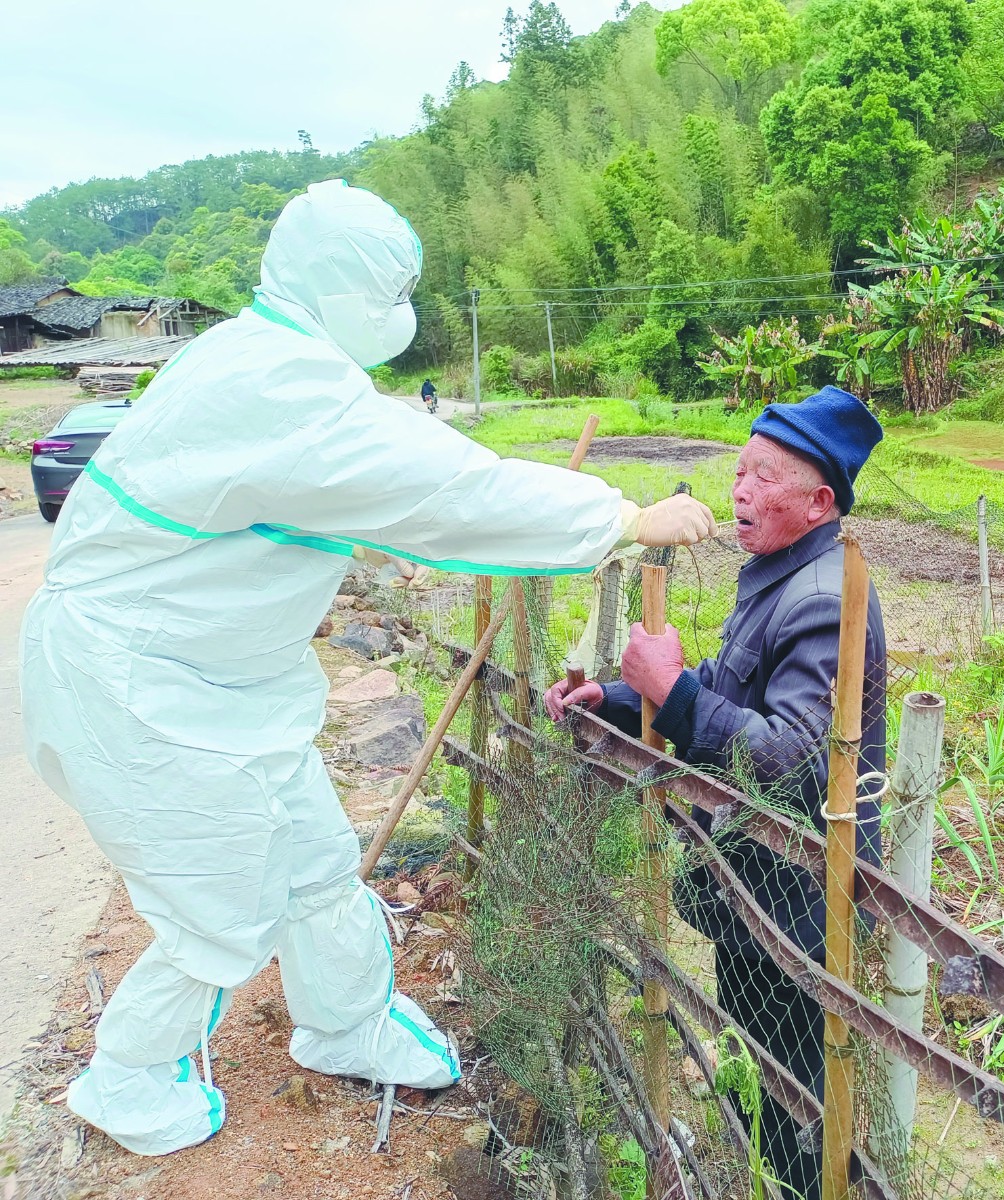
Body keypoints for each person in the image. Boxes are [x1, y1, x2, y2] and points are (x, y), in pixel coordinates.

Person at [20, 180, 715, 1158]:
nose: (403, 311)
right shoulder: (284, 393)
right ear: (338, 287)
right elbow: (444, 490)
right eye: (388, 289)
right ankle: (128, 1076)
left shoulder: (268, 354)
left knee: (311, 862)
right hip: (140, 690)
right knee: (217, 906)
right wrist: (619, 519)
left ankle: (344, 1021)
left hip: (217, 681)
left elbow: (400, 451)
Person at [545, 386, 887, 1200]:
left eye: (764, 477)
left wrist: (677, 693)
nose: (738, 489)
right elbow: (727, 686)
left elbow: (789, 758)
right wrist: (626, 700)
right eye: (738, 470)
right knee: (756, 1054)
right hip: (751, 884)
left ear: (818, 501)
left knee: (800, 1093)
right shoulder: (780, 570)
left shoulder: (825, 601)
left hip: (802, 901)